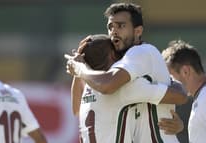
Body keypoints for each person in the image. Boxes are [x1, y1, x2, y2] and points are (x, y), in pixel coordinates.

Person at [65, 2, 185, 143]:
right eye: (110, 27)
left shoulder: (140, 53)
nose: (113, 32)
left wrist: (79, 68)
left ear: (138, 31)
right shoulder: (120, 82)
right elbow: (180, 95)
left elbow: (100, 90)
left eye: (121, 26)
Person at [162, 40, 206, 143]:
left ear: (185, 71)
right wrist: (182, 127)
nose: (170, 84)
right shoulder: (201, 97)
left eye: (171, 78)